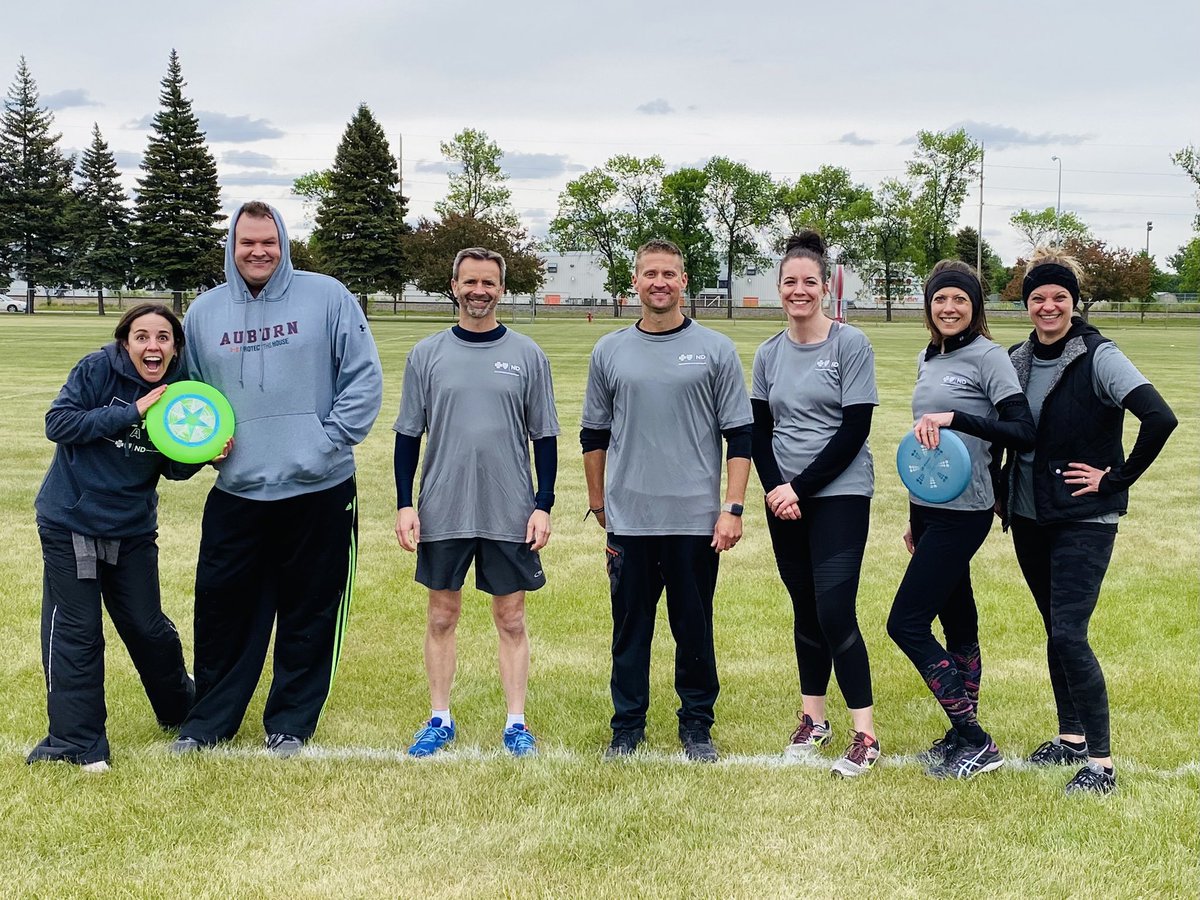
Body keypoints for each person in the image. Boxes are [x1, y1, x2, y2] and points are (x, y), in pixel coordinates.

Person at [170, 201, 383, 757]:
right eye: (247, 243)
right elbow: (193, 394)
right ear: (231, 247)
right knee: (222, 612)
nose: (259, 252)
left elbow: (362, 378)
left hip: (319, 487)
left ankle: (290, 723)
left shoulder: (328, 296)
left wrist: (326, 442)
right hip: (238, 490)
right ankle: (208, 723)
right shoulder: (203, 313)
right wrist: (201, 446)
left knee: (309, 611)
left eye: (269, 242)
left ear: (284, 243)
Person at [999, 250, 1176, 795]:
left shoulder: (1100, 356)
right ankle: (1070, 738)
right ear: (1027, 304)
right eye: (1037, 298)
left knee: (1071, 634)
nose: (1048, 306)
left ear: (1075, 303)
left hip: (1083, 518)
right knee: (1055, 634)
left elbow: (1159, 417)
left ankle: (1100, 765)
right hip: (1030, 516)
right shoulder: (1017, 358)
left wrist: (1114, 479)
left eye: (1059, 297)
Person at [27, 304, 227, 772]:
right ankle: (77, 744)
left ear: (175, 347)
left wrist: (203, 454)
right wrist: (133, 411)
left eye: (163, 337)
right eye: (141, 336)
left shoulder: (184, 394)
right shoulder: (97, 370)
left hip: (132, 529)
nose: (152, 346)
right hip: (71, 522)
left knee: (146, 625)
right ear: (125, 342)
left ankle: (181, 708)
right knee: (77, 633)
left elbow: (173, 470)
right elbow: (59, 424)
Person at [581, 238, 753, 762]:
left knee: (694, 628)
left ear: (683, 281)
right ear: (634, 281)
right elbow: (593, 433)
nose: (659, 282)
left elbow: (739, 434)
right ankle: (627, 727)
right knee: (630, 630)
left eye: (669, 274)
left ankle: (696, 725)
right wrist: (599, 502)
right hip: (630, 518)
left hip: (694, 520)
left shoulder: (716, 349)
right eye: (649, 273)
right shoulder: (609, 350)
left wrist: (733, 508)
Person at [394, 247, 559, 758]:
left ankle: (516, 724)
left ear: (502, 289)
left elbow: (546, 437)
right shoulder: (426, 354)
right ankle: (439, 717)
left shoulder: (528, 355)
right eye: (470, 282)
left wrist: (543, 503)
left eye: (489, 282)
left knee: (511, 619)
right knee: (442, 616)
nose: (479, 291)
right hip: (443, 507)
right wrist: (405, 503)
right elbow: (407, 436)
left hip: (509, 510)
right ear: (454, 285)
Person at [886, 259, 1036, 779]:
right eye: (940, 299)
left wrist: (957, 417)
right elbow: (927, 448)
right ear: (929, 307)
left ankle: (977, 741)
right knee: (958, 620)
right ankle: (959, 736)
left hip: (966, 511)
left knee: (904, 623)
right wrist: (914, 514)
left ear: (974, 308)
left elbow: (1022, 430)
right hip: (930, 510)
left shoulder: (989, 358)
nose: (949, 308)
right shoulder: (928, 357)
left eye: (960, 300)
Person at [750, 231, 880, 777]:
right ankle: (813, 719)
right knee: (805, 611)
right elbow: (758, 433)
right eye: (790, 282)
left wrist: (798, 488)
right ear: (779, 289)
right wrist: (778, 488)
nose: (799, 291)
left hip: (840, 494)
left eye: (809, 282)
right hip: (783, 499)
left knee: (834, 610)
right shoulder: (767, 353)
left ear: (826, 288)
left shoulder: (851, 345)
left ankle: (865, 735)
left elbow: (855, 429)